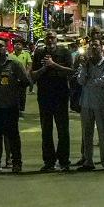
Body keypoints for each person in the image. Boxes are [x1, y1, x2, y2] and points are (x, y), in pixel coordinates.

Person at [0, 42, 30, 173]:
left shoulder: (14, 64)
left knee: (12, 136)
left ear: (6, 48)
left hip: (10, 106)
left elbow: (25, 82)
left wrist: (13, 89)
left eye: (0, 46)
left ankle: (16, 163)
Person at [30, 31, 74, 172]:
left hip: (61, 95)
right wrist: (45, 67)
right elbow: (34, 75)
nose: (50, 40)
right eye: (48, 37)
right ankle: (49, 161)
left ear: (56, 39)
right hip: (44, 96)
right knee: (46, 130)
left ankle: (64, 161)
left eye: (52, 37)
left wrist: (54, 65)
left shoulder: (65, 52)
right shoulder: (39, 53)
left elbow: (71, 71)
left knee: (63, 130)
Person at [75, 35, 104, 171]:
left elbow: (102, 82)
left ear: (101, 48)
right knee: (87, 133)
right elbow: (80, 80)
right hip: (86, 102)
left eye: (96, 45)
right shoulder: (85, 64)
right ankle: (88, 161)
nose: (94, 47)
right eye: (91, 45)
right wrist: (85, 68)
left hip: (101, 102)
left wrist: (89, 81)